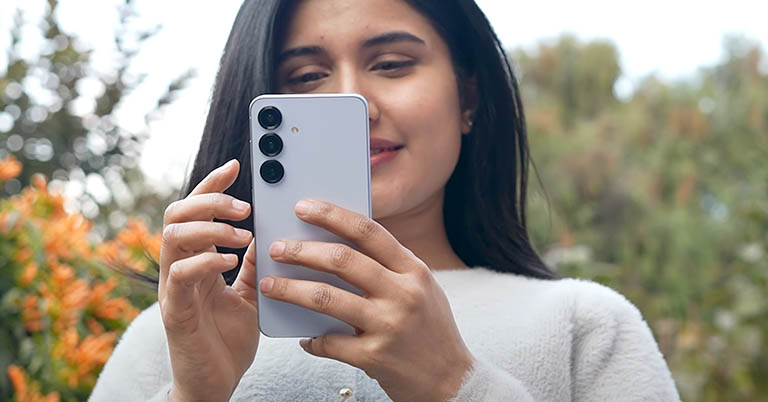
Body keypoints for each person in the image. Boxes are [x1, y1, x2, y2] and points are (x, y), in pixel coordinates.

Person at [89, 0, 681, 401]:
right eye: (306, 77)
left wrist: (455, 383)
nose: (356, 103)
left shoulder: (584, 326)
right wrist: (195, 396)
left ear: (468, 95)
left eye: (393, 64)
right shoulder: (170, 339)